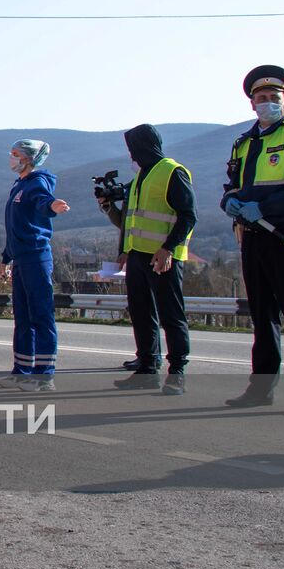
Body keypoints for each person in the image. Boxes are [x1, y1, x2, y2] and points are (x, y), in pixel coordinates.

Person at [221, 65, 284, 415]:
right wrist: (231, 203)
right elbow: (231, 187)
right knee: (262, 316)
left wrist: (263, 208)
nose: (266, 103)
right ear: (252, 104)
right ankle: (261, 388)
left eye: (273, 98)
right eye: (260, 98)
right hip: (253, 237)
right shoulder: (243, 143)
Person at [99, 125, 196, 395]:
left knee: (170, 315)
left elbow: (188, 216)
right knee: (142, 313)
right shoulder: (141, 176)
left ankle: (177, 372)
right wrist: (109, 207)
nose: (131, 155)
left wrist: (168, 249)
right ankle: (147, 368)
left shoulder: (172, 172)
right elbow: (130, 221)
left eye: (133, 148)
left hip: (162, 257)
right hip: (137, 256)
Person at [0, 139, 70, 392]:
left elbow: (42, 201)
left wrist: (52, 206)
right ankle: (21, 371)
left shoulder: (37, 182)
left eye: (15, 154)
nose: (11, 157)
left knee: (41, 316)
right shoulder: (19, 185)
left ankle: (44, 376)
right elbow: (15, 226)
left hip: (36, 257)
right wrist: (7, 257)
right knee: (23, 317)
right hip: (20, 258)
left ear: (28, 158)